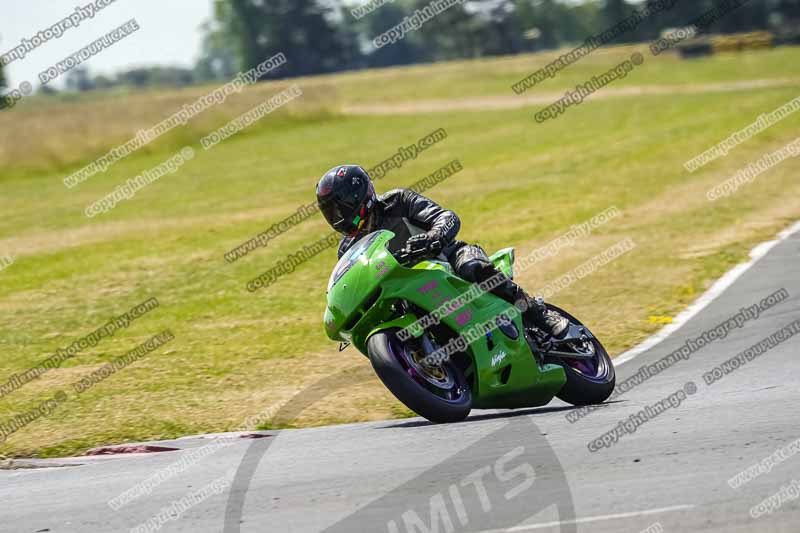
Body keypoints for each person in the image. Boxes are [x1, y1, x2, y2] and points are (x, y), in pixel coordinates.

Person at [315, 165, 569, 338]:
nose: (337, 217)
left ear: (359, 197)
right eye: (331, 212)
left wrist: (432, 238)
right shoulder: (348, 248)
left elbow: (447, 217)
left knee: (474, 268)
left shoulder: (399, 201)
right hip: (405, 289)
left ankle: (539, 314)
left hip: (447, 258)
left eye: (341, 208)